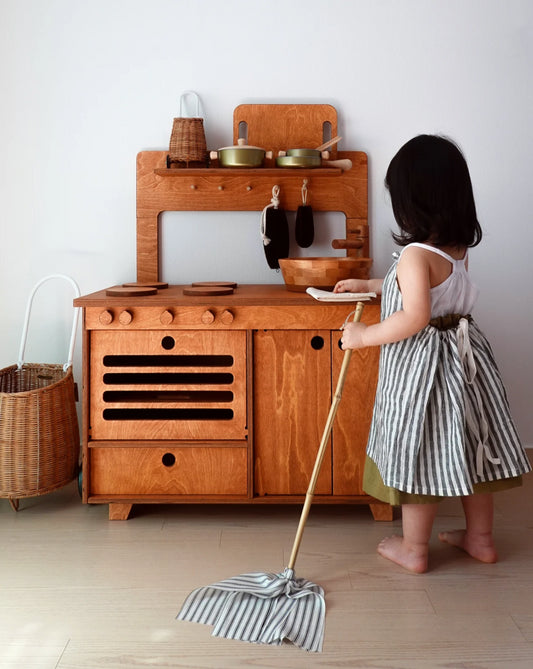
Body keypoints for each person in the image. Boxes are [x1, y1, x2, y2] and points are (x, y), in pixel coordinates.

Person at [335, 135, 531, 574]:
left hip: (426, 370)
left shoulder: (412, 255)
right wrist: (372, 287)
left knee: (419, 450)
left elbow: (416, 315)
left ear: (412, 202)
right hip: (469, 365)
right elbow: (436, 294)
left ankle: (414, 548)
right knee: (471, 447)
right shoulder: (456, 250)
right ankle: (480, 540)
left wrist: (364, 336)